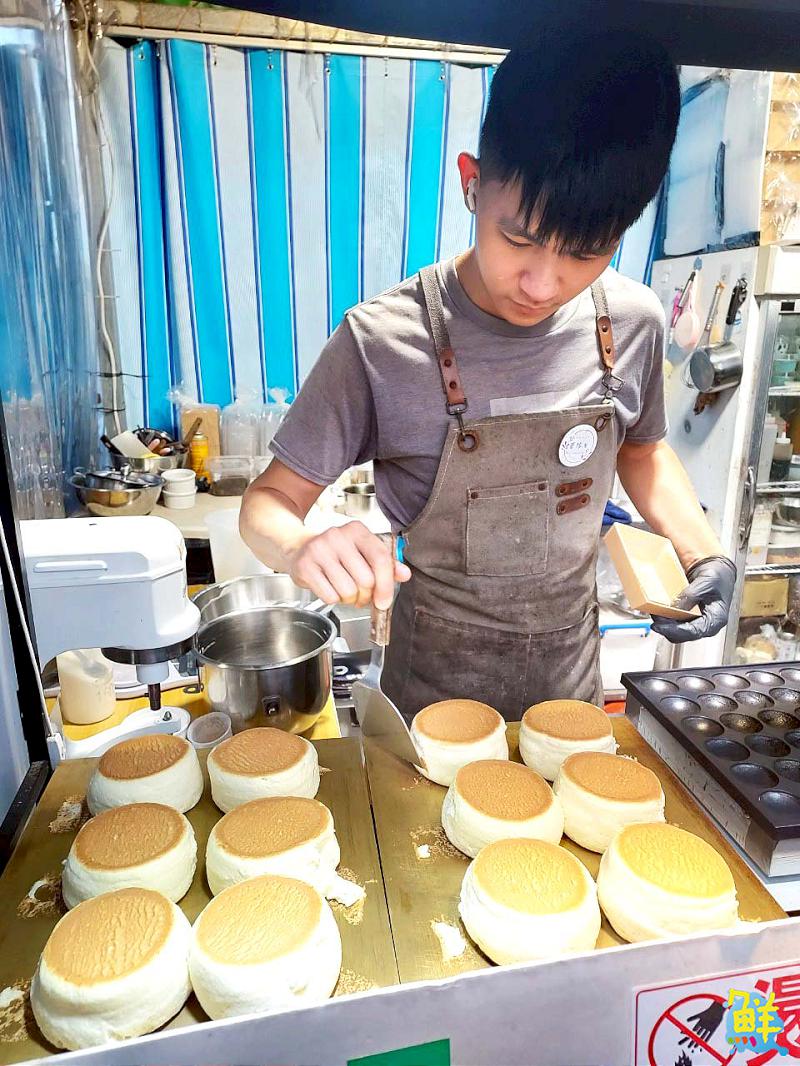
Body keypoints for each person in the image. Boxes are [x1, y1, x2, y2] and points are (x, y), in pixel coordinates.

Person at [240, 28, 736, 721]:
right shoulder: (381, 340)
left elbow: (644, 452)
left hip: (570, 702)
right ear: (473, 183)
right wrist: (300, 545)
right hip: (430, 708)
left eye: (586, 252)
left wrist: (704, 553)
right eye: (520, 239)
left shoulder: (635, 322)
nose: (542, 282)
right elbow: (266, 503)